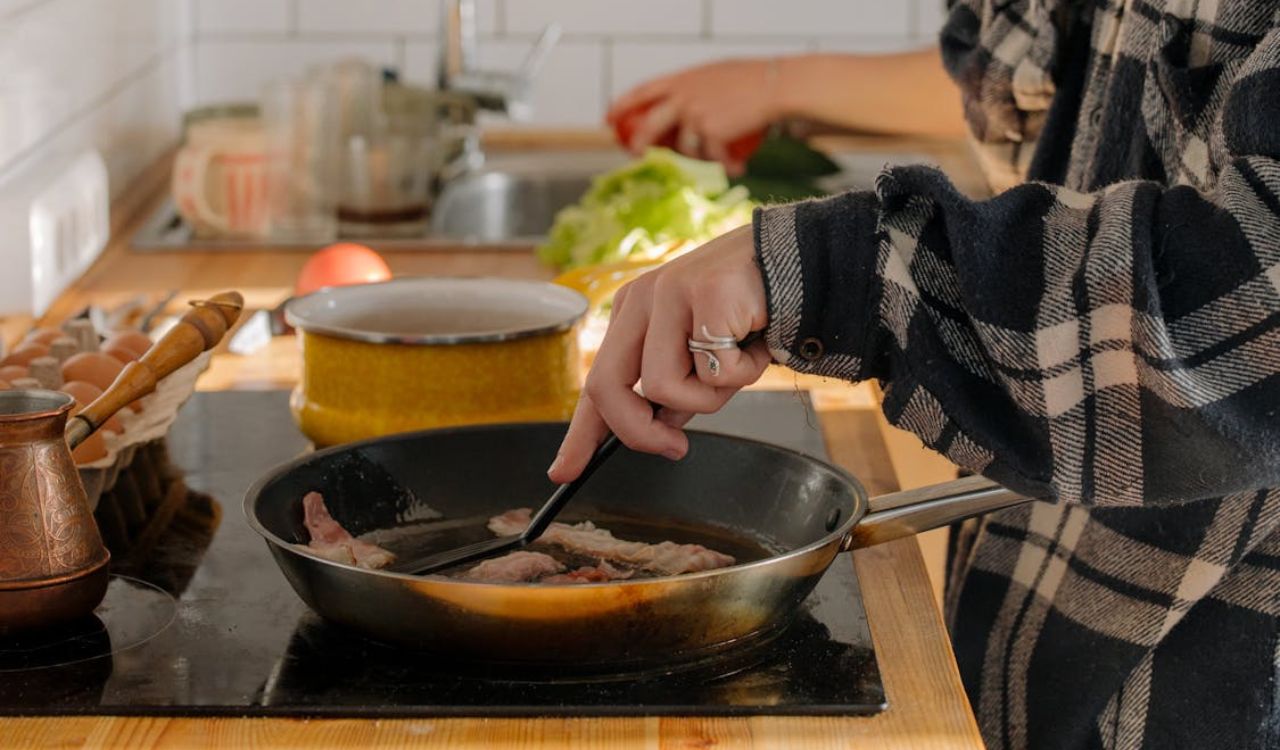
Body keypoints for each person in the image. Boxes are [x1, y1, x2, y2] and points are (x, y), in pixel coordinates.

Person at [548, 2, 1280, 749]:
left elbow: (1258, 292)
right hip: (1032, 640)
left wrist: (843, 270)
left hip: (1207, 688)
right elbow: (1012, 83)